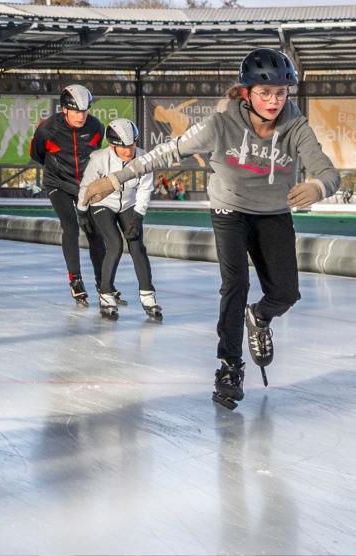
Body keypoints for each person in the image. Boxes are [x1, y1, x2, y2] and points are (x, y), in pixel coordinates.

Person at [82, 48, 340, 410]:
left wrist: (318, 187)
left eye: (281, 93)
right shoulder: (220, 124)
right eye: (265, 93)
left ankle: (260, 316)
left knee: (286, 294)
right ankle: (229, 367)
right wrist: (115, 177)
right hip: (229, 209)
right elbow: (166, 152)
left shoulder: (295, 126)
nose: (274, 101)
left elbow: (329, 172)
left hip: (274, 212)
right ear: (247, 92)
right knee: (236, 284)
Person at [78, 118, 162, 321]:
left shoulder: (143, 158)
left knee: (136, 245)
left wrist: (138, 217)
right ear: (112, 145)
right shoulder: (99, 159)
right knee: (115, 244)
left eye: (132, 145)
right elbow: (86, 186)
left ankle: (148, 295)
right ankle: (106, 295)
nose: (128, 151)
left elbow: (145, 189)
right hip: (103, 203)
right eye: (122, 147)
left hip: (129, 204)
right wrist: (82, 212)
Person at [30, 84, 107, 306]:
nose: (81, 116)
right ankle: (75, 279)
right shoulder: (47, 128)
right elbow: (37, 154)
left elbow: (95, 156)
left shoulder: (96, 127)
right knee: (70, 225)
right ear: (64, 109)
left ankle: (104, 283)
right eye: (76, 111)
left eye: (85, 111)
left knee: (94, 231)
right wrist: (58, 168)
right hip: (58, 184)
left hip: (84, 186)